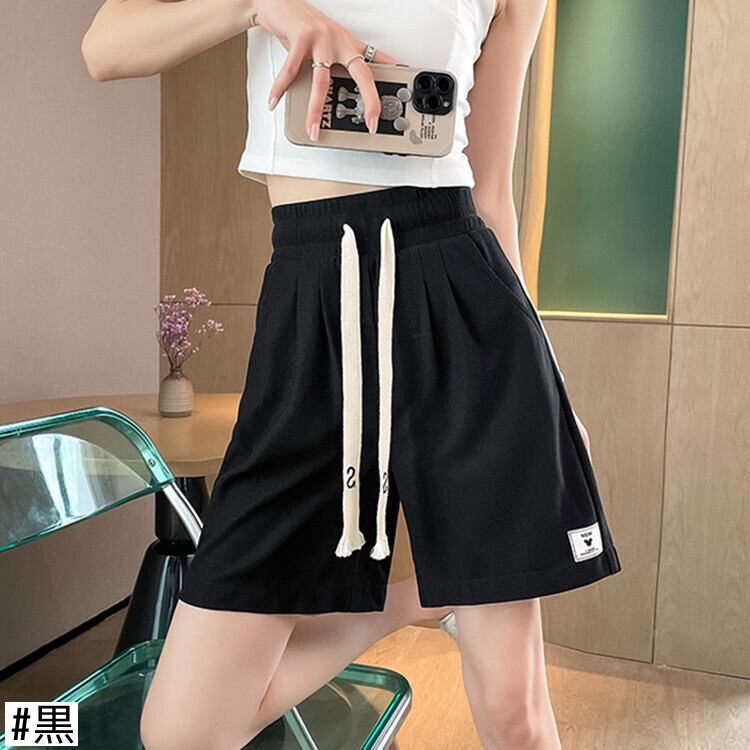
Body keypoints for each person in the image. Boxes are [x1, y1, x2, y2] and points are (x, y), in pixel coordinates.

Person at [82, 1, 622, 748]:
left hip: (462, 301)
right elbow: (105, 47)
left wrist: (552, 389)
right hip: (311, 306)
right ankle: (422, 602)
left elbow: (492, 190)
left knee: (515, 714)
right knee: (184, 734)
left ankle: (448, 597)